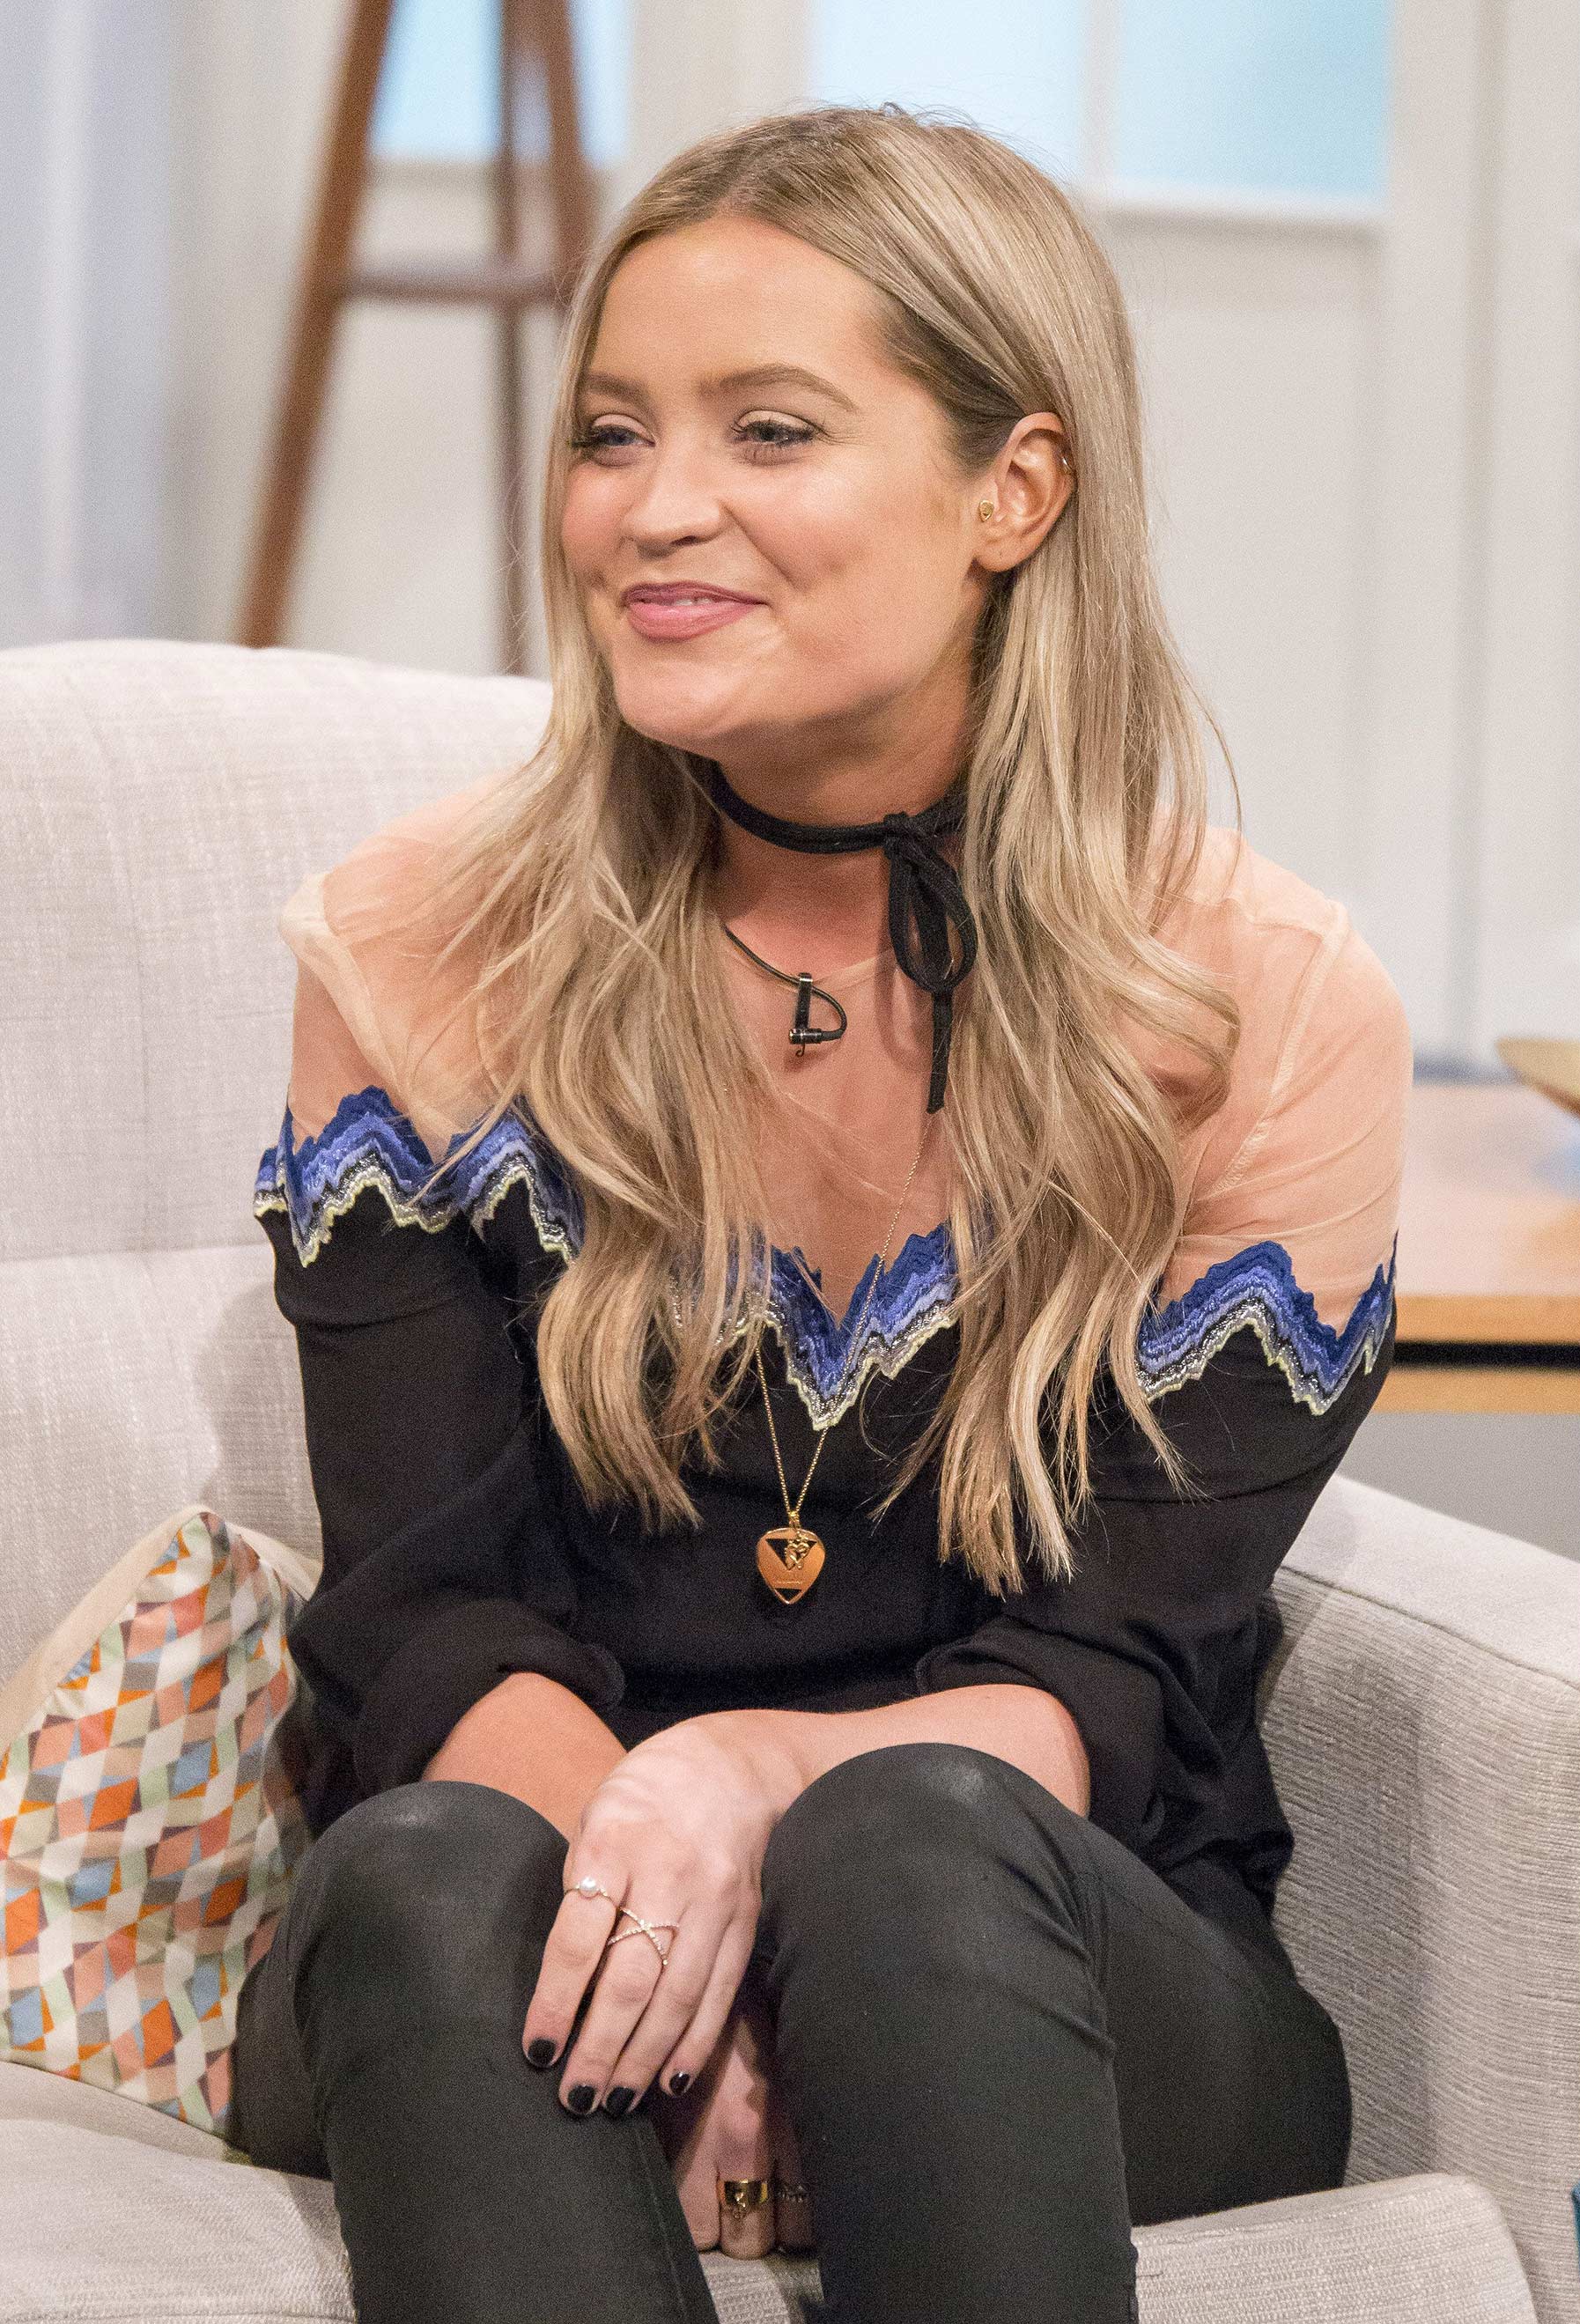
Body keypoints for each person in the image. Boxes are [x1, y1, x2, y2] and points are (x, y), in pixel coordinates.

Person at [230, 101, 1411, 2324]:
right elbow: (427, 1617)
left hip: (1051, 1944)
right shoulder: (415, 955)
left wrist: (760, 1802)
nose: (655, 507)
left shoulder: (1258, 1006)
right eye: (612, 432)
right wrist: (658, 1923)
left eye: (768, 430)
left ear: (1012, 493)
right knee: (428, 1877)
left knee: (910, 1855)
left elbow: (1108, 1672)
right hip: (517, 1917)